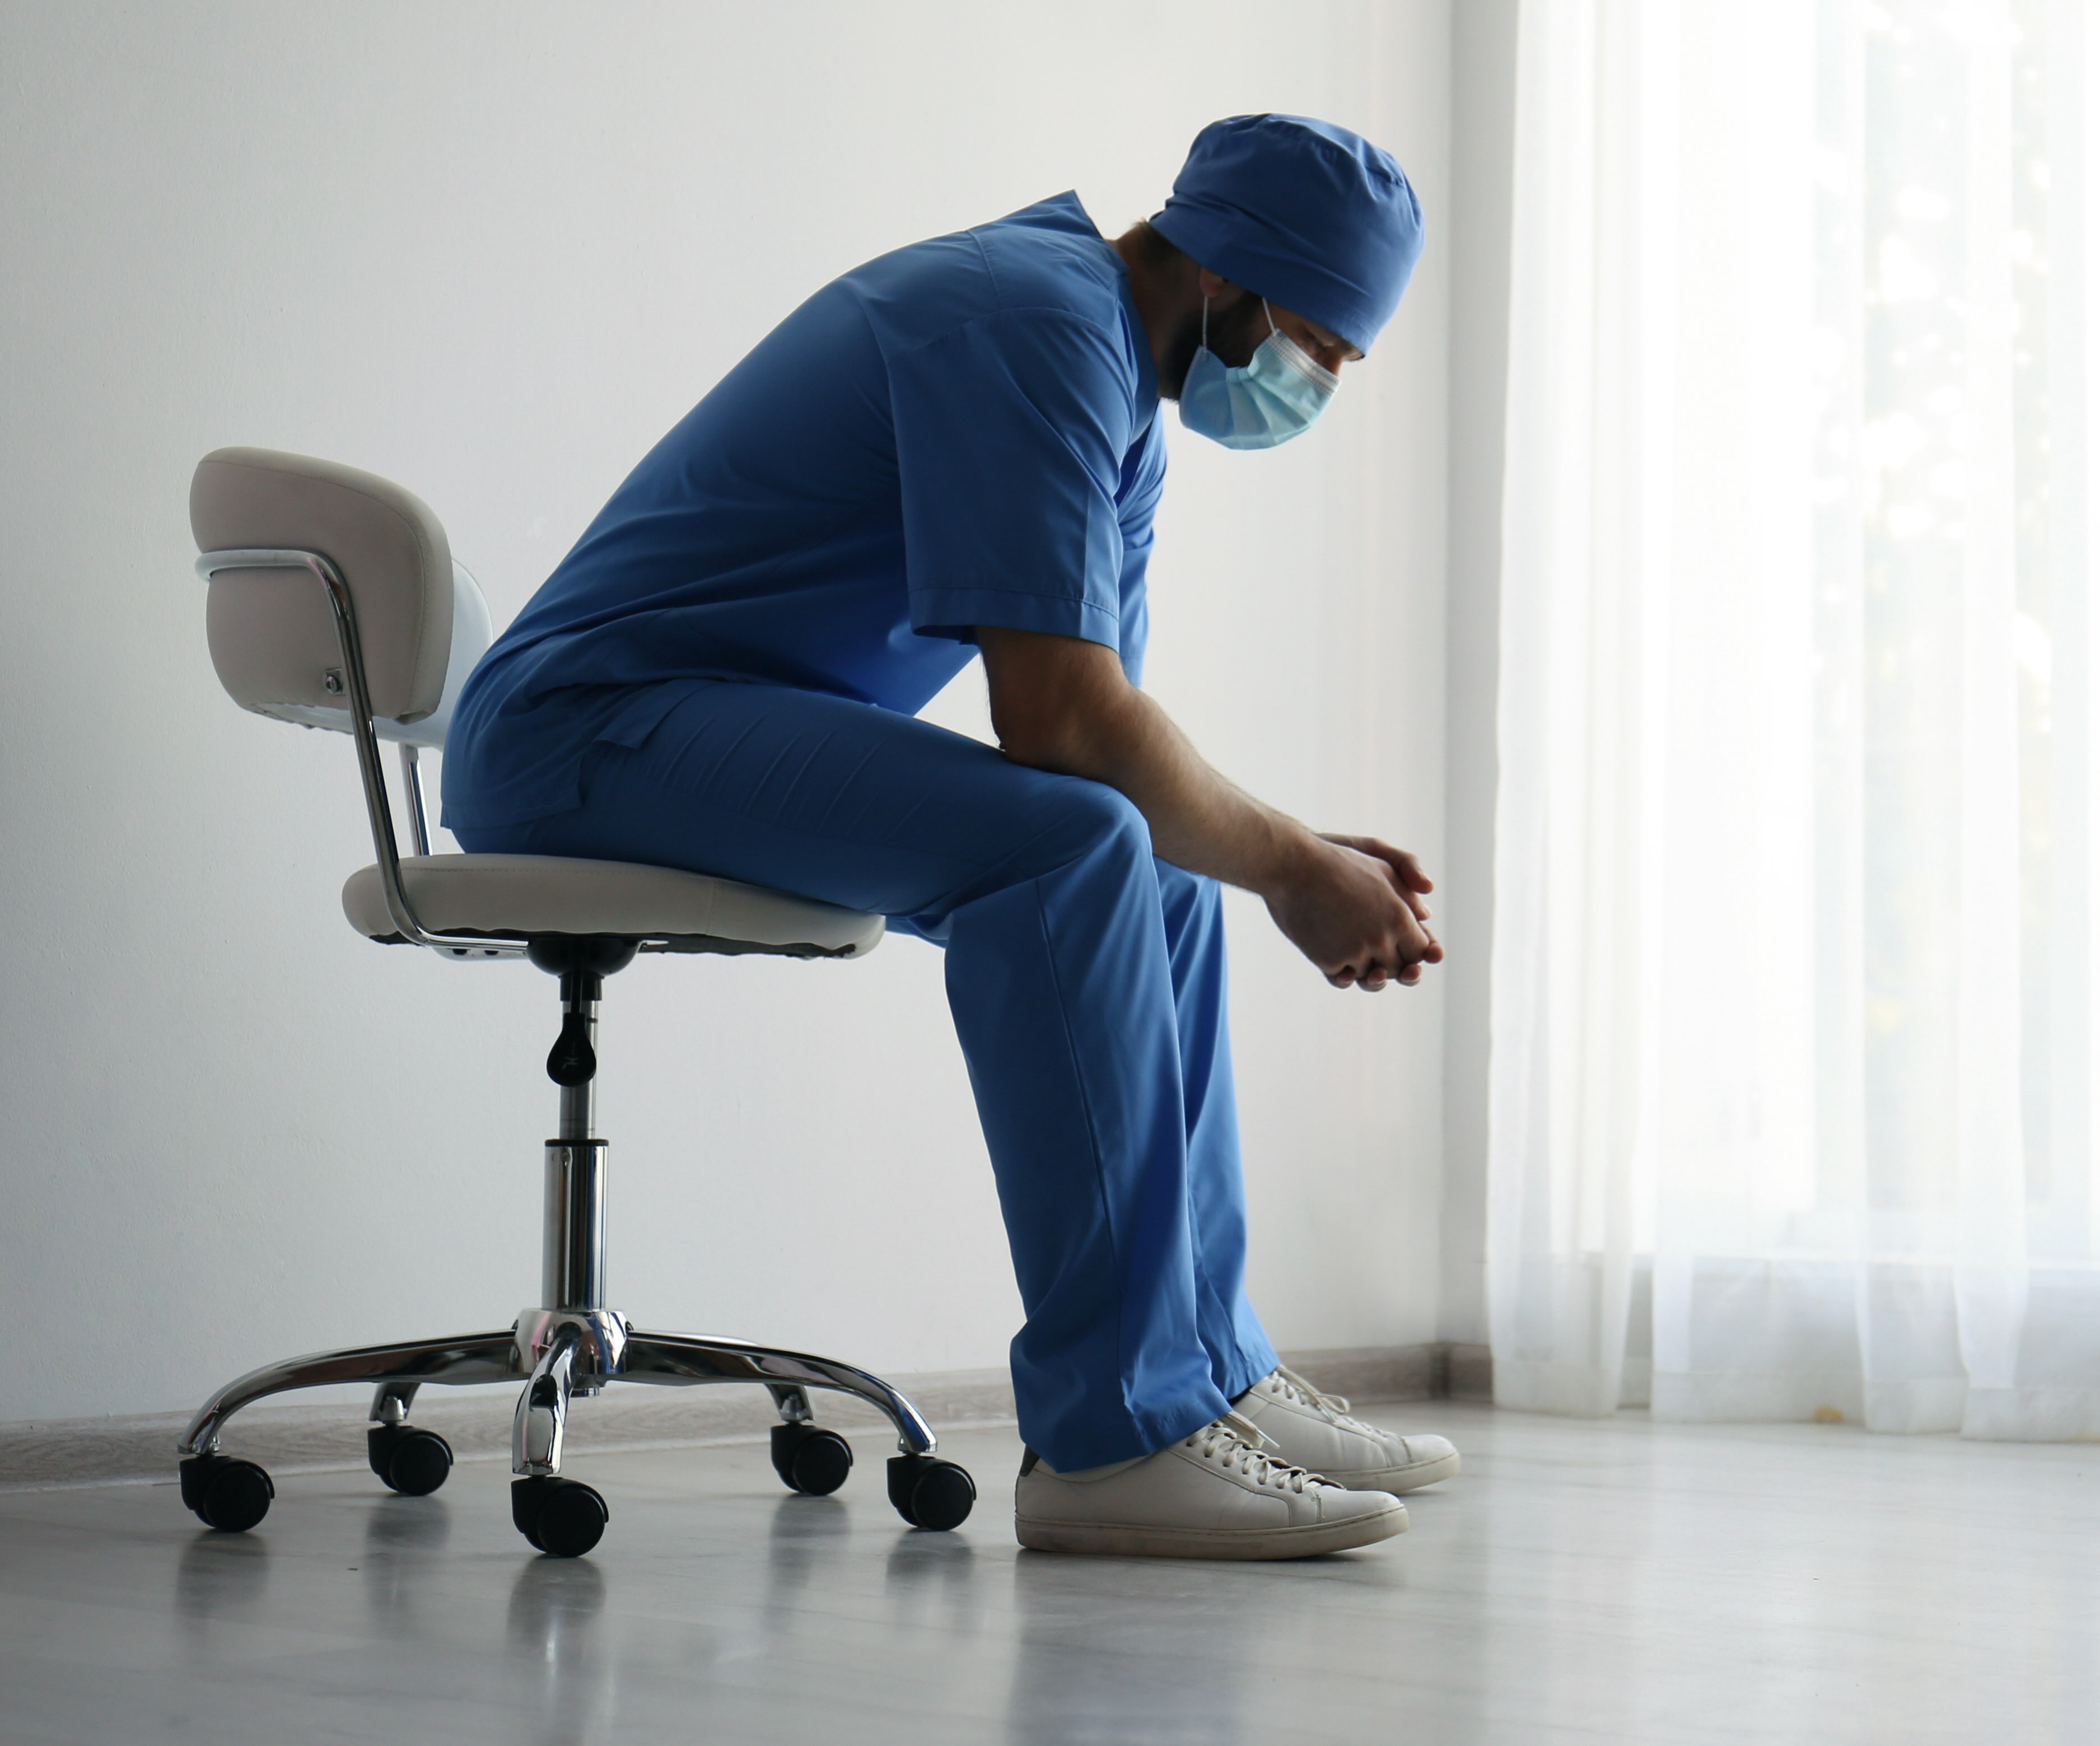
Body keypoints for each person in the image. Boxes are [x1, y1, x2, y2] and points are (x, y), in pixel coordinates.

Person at [440, 115, 1458, 1561]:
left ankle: (1209, 1374)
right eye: (1321, 346)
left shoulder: (1115, 385)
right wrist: (1295, 864)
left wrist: (1265, 849)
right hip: (583, 734)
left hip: (695, 726)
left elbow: (1111, 738)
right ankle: (1115, 1441)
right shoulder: (1025, 322)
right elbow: (1062, 729)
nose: (1315, 385)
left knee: (1149, 869)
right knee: (1076, 847)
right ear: (1237, 277)